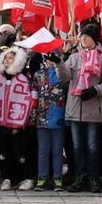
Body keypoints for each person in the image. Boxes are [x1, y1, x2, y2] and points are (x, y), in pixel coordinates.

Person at [58, 24, 102, 193]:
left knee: (92, 145)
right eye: (82, 36)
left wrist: (94, 90)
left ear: (94, 38)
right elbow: (65, 78)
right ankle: (79, 177)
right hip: (75, 108)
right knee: (76, 146)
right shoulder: (75, 57)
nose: (83, 39)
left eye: (87, 36)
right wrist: (59, 63)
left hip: (93, 109)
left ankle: (93, 178)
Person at [0, 47, 37, 191]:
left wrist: (18, 123)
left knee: (19, 151)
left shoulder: (22, 79)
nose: (7, 60)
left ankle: (26, 178)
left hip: (16, 124)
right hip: (0, 123)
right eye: (5, 58)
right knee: (2, 152)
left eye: (11, 58)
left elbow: (26, 101)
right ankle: (6, 178)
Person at [31, 51, 66, 191]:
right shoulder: (38, 75)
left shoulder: (61, 75)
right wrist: (33, 116)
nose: (49, 60)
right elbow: (33, 96)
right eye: (47, 58)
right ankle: (42, 177)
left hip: (58, 116)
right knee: (43, 150)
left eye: (53, 58)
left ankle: (57, 178)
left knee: (57, 150)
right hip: (42, 116)